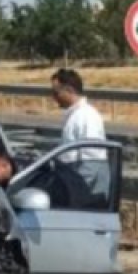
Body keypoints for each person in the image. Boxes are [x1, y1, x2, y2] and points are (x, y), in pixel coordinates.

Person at [50, 69, 110, 208]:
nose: (53, 97)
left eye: (56, 92)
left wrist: (72, 191)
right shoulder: (74, 116)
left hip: (88, 200)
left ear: (69, 90)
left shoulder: (87, 117)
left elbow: (92, 164)